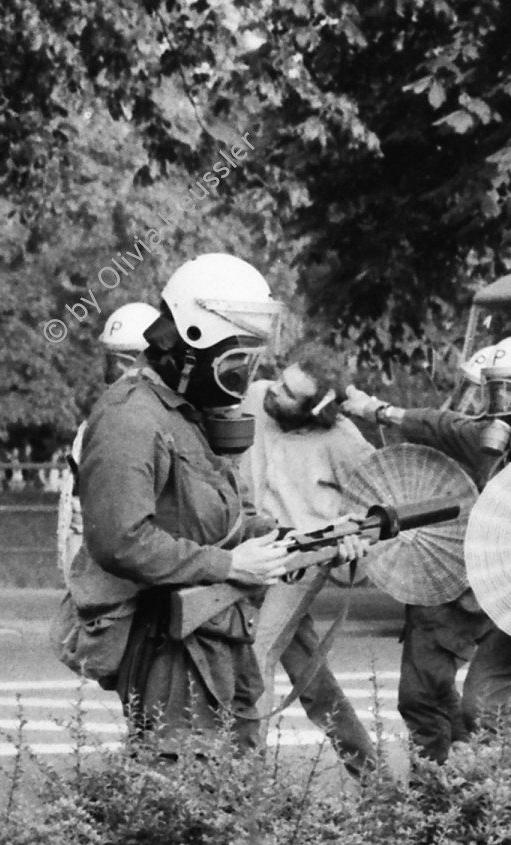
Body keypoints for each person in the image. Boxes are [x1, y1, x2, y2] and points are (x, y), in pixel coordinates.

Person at [74, 254, 321, 754]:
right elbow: (118, 539)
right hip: (170, 648)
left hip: (220, 636)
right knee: (183, 794)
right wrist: (230, 564)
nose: (244, 376)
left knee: (232, 794)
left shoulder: (186, 413)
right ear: (189, 346)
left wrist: (299, 543)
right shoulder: (131, 417)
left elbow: (217, 517)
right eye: (235, 362)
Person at [343, 369, 511, 762]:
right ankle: (446, 795)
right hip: (458, 583)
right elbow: (440, 424)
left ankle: (482, 795)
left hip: (490, 597)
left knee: (481, 705)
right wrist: (377, 409)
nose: (497, 413)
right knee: (440, 699)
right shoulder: (486, 439)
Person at [238, 344, 379, 775]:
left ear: (314, 409)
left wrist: (356, 538)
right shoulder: (255, 397)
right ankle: (374, 778)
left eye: (287, 392)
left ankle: (246, 786)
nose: (273, 391)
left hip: (302, 560)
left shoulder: (343, 441)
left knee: (255, 656)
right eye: (280, 380)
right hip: (249, 544)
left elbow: (377, 504)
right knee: (311, 677)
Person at [58, 302, 161, 577]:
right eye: (113, 360)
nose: (115, 370)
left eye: (123, 360)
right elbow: (77, 517)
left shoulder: (160, 425)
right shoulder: (96, 422)